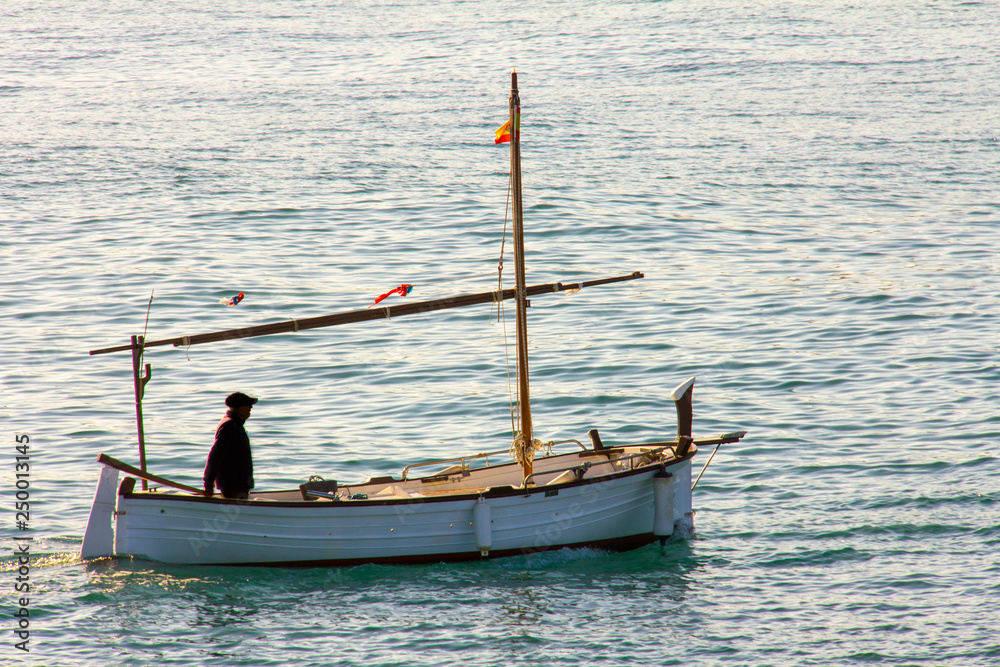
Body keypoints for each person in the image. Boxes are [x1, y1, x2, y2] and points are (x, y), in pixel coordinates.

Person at [203, 392, 258, 499]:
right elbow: (215, 456)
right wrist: (208, 483)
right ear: (241, 409)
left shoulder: (234, 424)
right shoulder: (230, 426)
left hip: (237, 485)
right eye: (248, 407)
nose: (251, 408)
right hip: (233, 486)